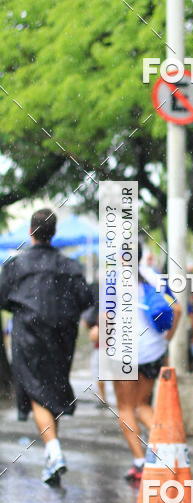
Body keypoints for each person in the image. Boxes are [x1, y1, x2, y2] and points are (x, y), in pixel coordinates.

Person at [0, 208, 94, 485]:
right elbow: (85, 300)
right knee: (51, 388)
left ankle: (53, 450)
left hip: (28, 332)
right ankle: (52, 456)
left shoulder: (16, 265)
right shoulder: (70, 265)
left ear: (30, 232)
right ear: (53, 234)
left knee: (35, 391)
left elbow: (2, 298)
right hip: (63, 335)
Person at [112, 241, 181, 482]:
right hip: (153, 350)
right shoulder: (154, 277)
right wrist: (167, 340)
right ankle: (164, 451)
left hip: (124, 353)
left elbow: (105, 320)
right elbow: (179, 309)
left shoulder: (114, 282)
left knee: (125, 407)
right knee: (143, 405)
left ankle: (140, 461)